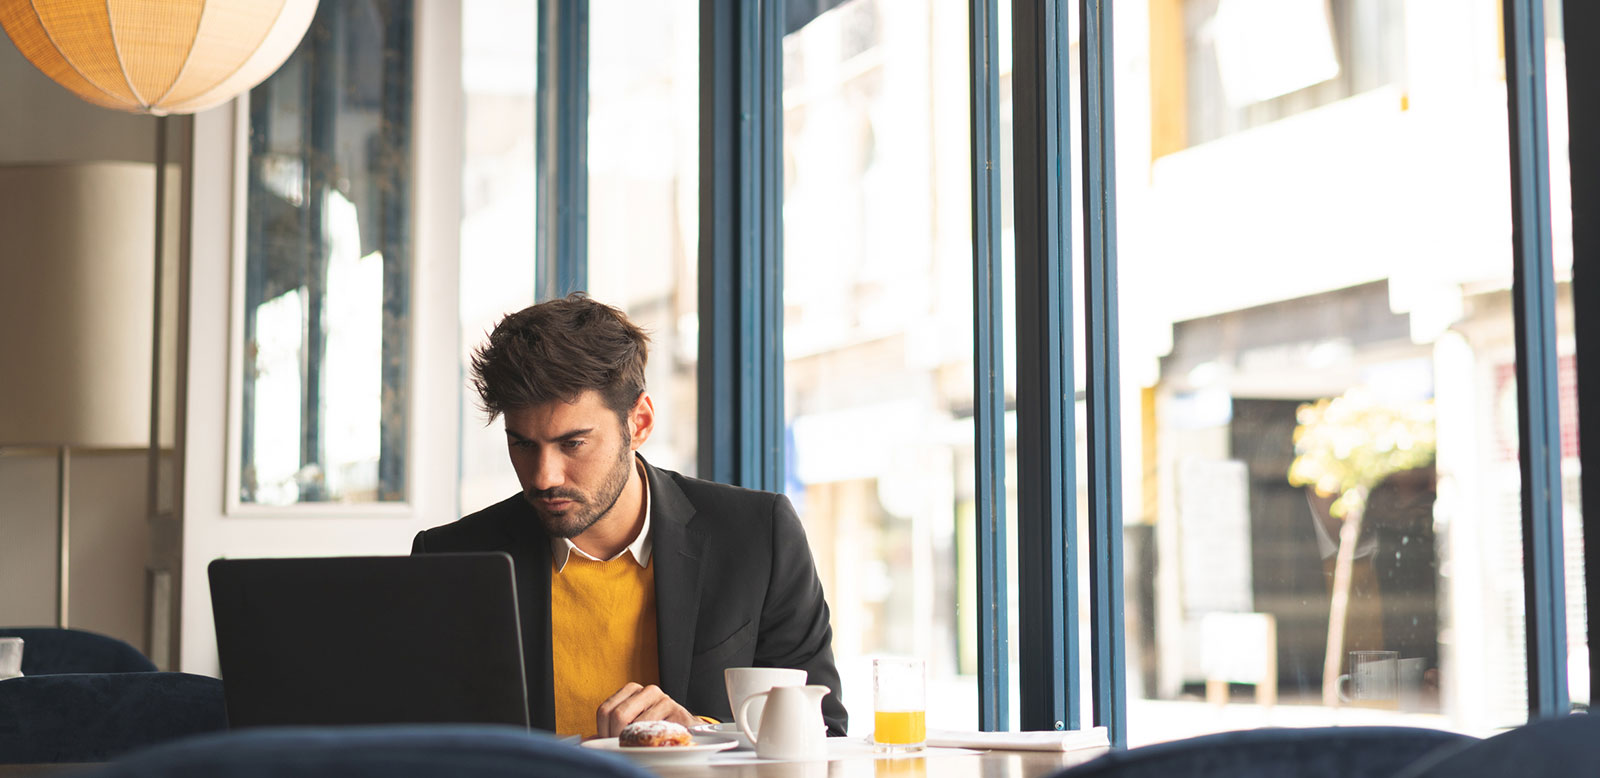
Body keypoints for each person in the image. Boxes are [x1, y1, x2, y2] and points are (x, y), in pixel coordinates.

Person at [412, 293, 847, 739]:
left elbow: (824, 730)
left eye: (573, 443)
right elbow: (419, 744)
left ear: (638, 423)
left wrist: (697, 734)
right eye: (522, 444)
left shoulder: (758, 536)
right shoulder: (453, 558)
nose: (543, 477)